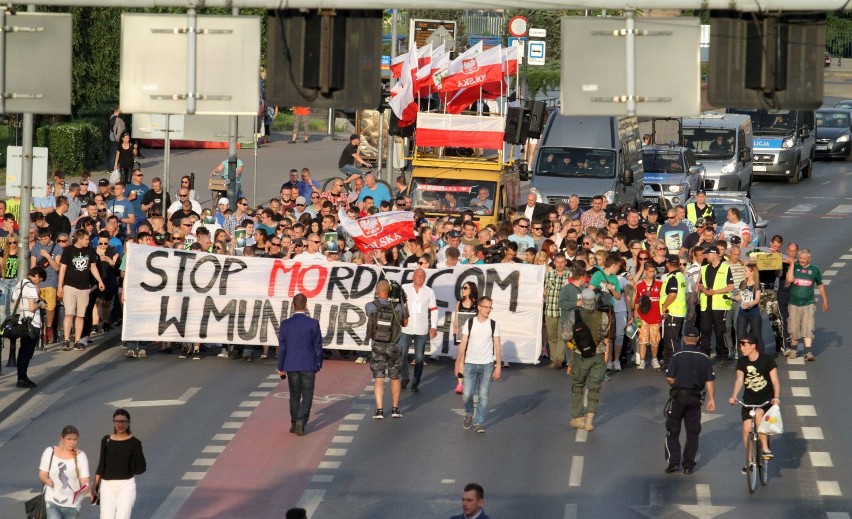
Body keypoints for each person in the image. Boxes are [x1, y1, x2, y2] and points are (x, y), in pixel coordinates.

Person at [664, 326, 716, 475]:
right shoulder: (704, 358)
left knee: (673, 430)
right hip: (695, 398)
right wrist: (711, 399)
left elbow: (670, 377)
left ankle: (673, 462)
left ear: (684, 338)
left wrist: (677, 385)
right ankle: (688, 465)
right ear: (698, 339)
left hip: (679, 396)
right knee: (693, 432)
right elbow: (710, 380)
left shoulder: (677, 355)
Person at [728, 334, 781, 471]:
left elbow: (775, 381)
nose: (741, 347)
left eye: (744, 344)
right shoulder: (742, 362)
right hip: (749, 401)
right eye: (740, 344)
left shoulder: (767, 360)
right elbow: (739, 380)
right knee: (746, 429)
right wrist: (734, 396)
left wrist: (776, 397)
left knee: (758, 414)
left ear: (753, 346)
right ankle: (749, 461)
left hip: (765, 401)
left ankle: (765, 449)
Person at [277, 293, 323, 436]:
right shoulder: (313, 323)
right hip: (309, 364)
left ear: (293, 305)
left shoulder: (285, 324)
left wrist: (281, 367)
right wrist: (319, 363)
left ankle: (294, 422)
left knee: (294, 395)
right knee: (307, 394)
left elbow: (282, 347)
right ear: (306, 305)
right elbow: (318, 347)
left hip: (291, 365)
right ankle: (301, 420)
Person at [563, 289, 609, 431]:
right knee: (594, 387)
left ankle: (578, 418)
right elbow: (605, 333)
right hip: (598, 354)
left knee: (578, 385)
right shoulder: (603, 315)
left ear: (582, 300)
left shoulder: (574, 314)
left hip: (580, 355)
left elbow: (566, 335)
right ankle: (589, 420)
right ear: (594, 300)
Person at [455, 296, 501, 433]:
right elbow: (463, 344)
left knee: (483, 395)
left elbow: (497, 345)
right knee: (467, 394)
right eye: (486, 307)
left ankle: (479, 422)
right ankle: (469, 413)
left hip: (487, 364)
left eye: (490, 307)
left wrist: (498, 365)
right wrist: (457, 362)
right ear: (479, 307)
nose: (488, 310)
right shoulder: (470, 323)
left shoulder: (493, 324)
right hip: (470, 363)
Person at [365, 280, 409, 420]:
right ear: (389, 292)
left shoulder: (370, 306)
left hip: (377, 345)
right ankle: (395, 408)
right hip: (394, 345)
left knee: (378, 377)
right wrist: (401, 299)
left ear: (377, 292)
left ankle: (379, 410)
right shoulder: (397, 307)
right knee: (394, 377)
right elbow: (405, 323)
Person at [92, 409, 146, 519]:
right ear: (113, 423)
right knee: (106, 517)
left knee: (123, 516)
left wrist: (129, 467)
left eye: (123, 421)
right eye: (117, 421)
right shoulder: (106, 441)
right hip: (107, 486)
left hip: (126, 486)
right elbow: (101, 465)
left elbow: (141, 467)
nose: (120, 424)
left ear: (129, 423)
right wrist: (95, 485)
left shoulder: (135, 443)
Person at [58, 230, 106, 351]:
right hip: (70, 285)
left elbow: (93, 267)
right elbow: (62, 269)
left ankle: (78, 340)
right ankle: (66, 339)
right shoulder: (68, 251)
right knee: (69, 313)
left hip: (84, 287)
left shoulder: (90, 250)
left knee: (80, 315)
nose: (87, 241)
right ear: (79, 239)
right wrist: (60, 287)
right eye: (85, 239)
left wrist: (100, 281)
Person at [785, 248, 828, 362]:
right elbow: (789, 279)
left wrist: (825, 300)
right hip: (794, 303)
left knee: (808, 326)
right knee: (794, 327)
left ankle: (808, 352)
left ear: (810, 259)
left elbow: (820, 285)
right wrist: (792, 265)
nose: (802, 260)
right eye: (800, 258)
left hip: (808, 303)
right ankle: (794, 349)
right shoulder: (795, 267)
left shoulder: (815, 270)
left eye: (804, 258)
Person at [39, 425, 91, 519]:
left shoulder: (81, 456)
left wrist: (85, 487)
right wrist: (46, 480)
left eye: (75, 439)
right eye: (69, 439)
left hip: (72, 505)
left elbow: (85, 479)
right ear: (62, 439)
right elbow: (42, 473)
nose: (72, 442)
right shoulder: (50, 452)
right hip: (51, 500)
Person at [398, 268, 437, 393]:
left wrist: (434, 327)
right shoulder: (404, 288)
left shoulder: (429, 291)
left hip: (421, 329)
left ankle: (415, 381)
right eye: (417, 275)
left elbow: (434, 310)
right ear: (412, 277)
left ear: (425, 278)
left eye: (422, 275)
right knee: (401, 355)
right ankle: (405, 376)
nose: (420, 277)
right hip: (406, 328)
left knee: (419, 357)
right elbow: (396, 302)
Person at [697, 245, 734, 364]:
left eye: (708, 254)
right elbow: (699, 285)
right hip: (706, 305)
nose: (706, 256)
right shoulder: (704, 268)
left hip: (720, 305)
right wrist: (703, 289)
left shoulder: (725, 267)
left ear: (715, 254)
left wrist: (714, 292)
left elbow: (730, 286)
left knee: (720, 331)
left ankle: (722, 354)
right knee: (705, 330)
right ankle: (704, 354)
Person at [13, 266, 46, 388]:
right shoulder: (31, 287)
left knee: (22, 351)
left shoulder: (20, 284)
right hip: (31, 323)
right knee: (27, 352)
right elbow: (32, 307)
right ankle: (22, 378)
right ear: (36, 276)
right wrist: (40, 304)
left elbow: (14, 302)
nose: (39, 282)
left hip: (21, 321)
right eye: (40, 280)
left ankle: (21, 376)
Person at [544, 254, 571, 369]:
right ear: (554, 263)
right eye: (558, 262)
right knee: (552, 337)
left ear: (565, 263)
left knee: (561, 336)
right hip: (550, 310)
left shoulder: (570, 276)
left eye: (562, 262)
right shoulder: (548, 275)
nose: (560, 265)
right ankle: (554, 358)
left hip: (564, 311)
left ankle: (559, 359)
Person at [660, 255, 688, 367]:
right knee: (672, 339)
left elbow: (672, 294)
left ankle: (674, 365)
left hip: (672, 311)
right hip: (679, 311)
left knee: (671, 341)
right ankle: (668, 363)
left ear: (667, 263)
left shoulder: (672, 277)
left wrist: (664, 306)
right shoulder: (680, 275)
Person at [635, 262, 663, 369]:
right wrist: (636, 315)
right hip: (643, 317)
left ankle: (654, 359)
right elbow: (636, 302)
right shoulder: (639, 285)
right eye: (650, 271)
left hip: (656, 316)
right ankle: (642, 361)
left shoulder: (660, 284)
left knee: (655, 339)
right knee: (642, 339)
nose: (652, 273)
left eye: (653, 271)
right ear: (645, 271)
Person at [735, 261, 763, 351]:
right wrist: (732, 297)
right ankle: (741, 357)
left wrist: (749, 304)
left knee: (756, 335)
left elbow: (757, 299)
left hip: (754, 313)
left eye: (746, 271)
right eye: (744, 270)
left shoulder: (757, 284)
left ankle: (760, 355)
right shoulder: (742, 283)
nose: (744, 272)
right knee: (740, 335)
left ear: (752, 272)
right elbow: (740, 296)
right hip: (742, 313)